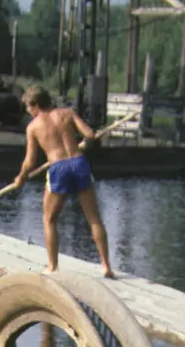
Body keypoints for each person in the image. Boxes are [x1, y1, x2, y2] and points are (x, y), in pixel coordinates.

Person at [14, 87, 114, 278]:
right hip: (79, 163)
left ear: (35, 105)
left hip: (59, 168)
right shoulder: (68, 113)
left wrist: (21, 176)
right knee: (94, 218)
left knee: (49, 219)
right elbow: (90, 134)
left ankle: (52, 267)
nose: (28, 111)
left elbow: (30, 160)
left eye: (28, 107)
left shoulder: (33, 127)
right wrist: (84, 144)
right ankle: (106, 266)